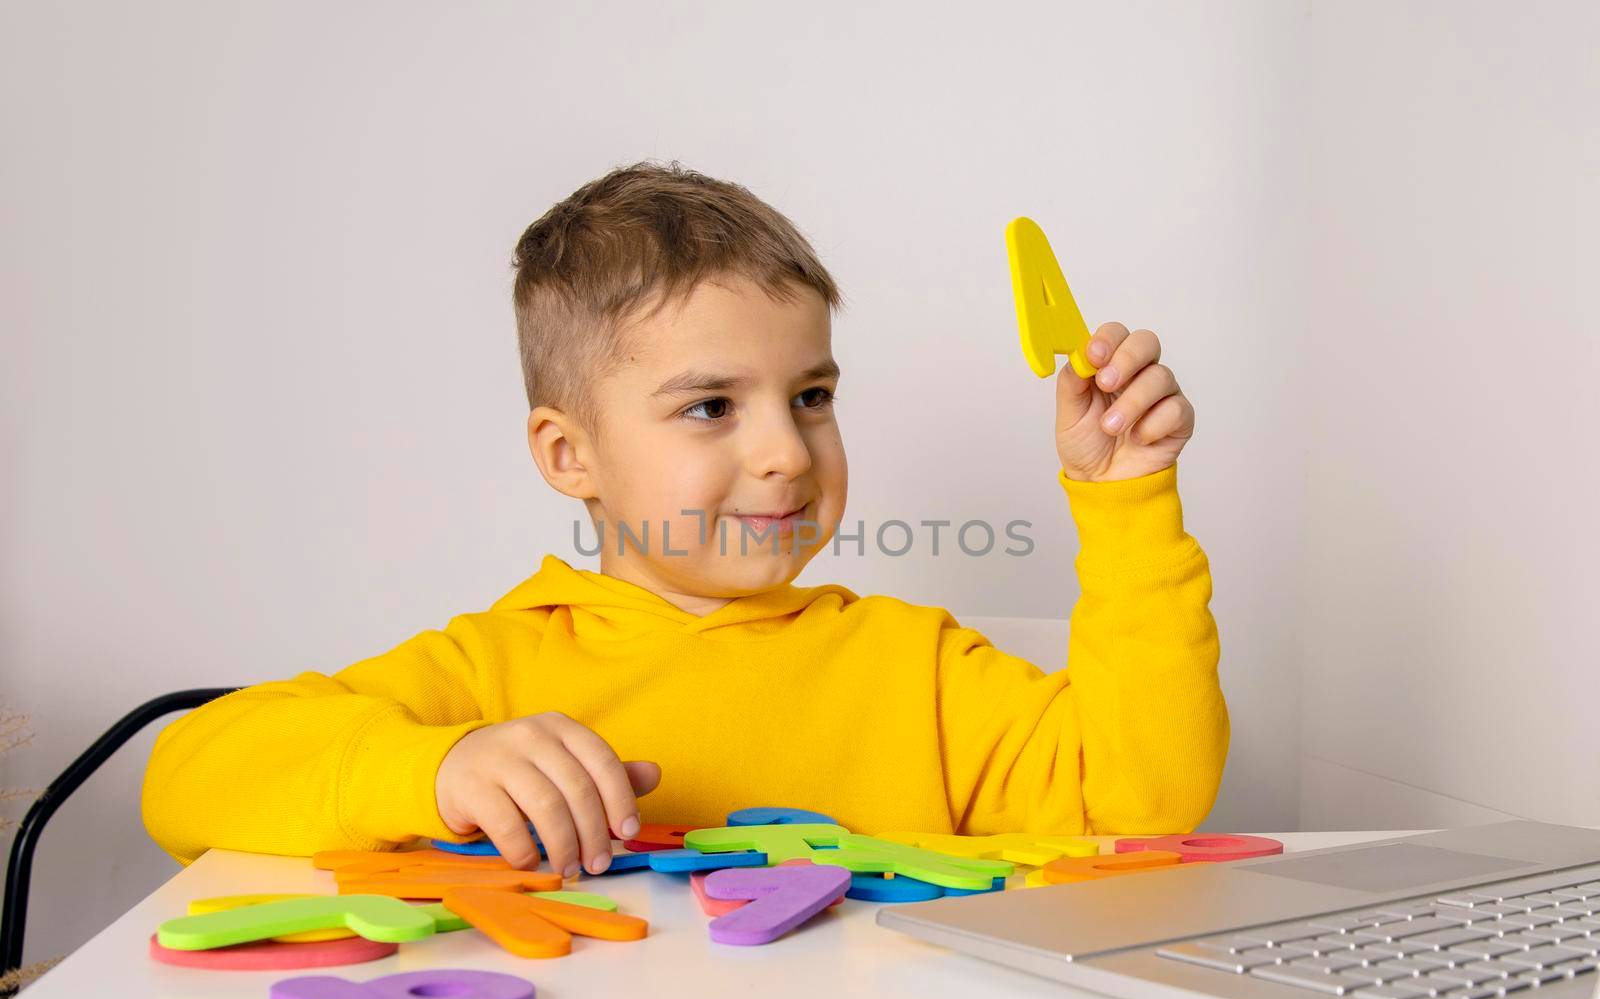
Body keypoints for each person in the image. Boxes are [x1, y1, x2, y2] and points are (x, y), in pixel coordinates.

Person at [141, 160, 1229, 882]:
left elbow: (1144, 795)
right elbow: (184, 775)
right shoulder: (494, 674)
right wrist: (438, 768)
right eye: (711, 406)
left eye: (811, 395)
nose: (786, 451)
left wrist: (1125, 498)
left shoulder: (920, 669)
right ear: (570, 455)